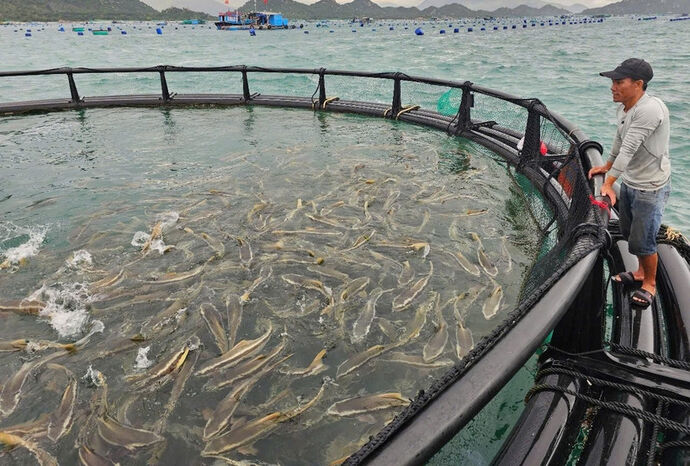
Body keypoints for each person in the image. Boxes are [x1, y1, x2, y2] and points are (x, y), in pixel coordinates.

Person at [588, 58, 671, 308]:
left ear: (638, 84)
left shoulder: (649, 110)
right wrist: (607, 166)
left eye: (619, 82)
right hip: (631, 180)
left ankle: (650, 283)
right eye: (613, 82)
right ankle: (640, 271)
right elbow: (619, 141)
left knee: (643, 240)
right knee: (628, 232)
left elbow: (629, 148)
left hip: (650, 186)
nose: (613, 87)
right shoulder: (625, 107)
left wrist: (608, 183)